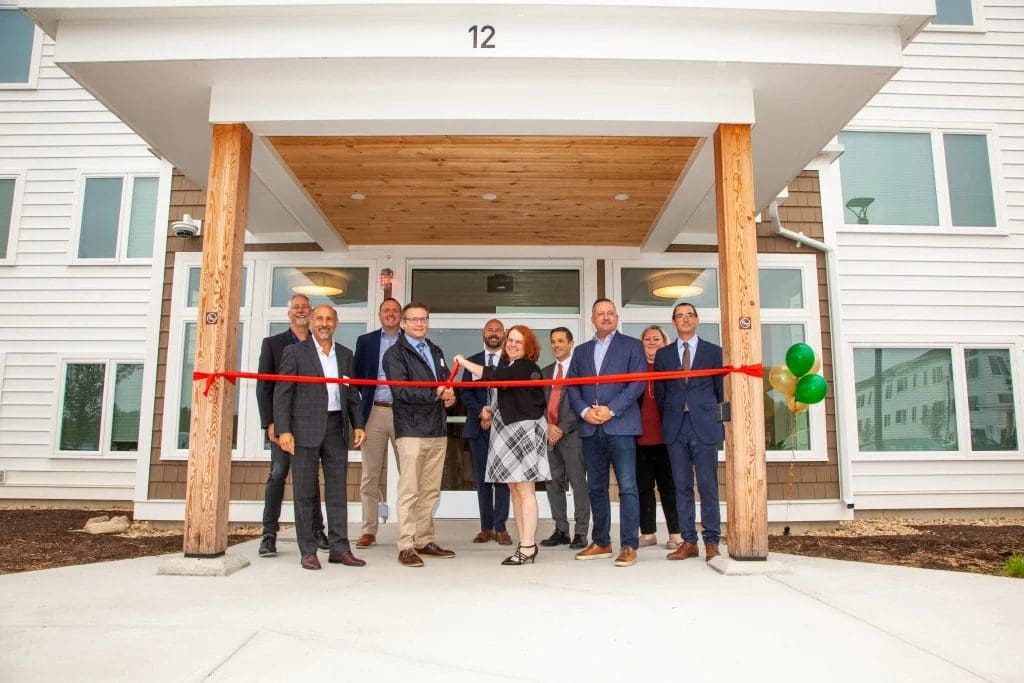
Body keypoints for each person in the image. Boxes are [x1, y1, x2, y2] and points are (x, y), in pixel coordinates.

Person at [274, 305, 367, 570]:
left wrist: (357, 424)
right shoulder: (294, 353)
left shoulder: (346, 355)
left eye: (329, 319)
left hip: (336, 428)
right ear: (312, 323)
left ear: (336, 324)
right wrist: (284, 430)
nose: (324, 323)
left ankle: (340, 548)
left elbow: (351, 394)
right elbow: (282, 393)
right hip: (303, 429)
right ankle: (308, 550)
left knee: (337, 491)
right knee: (304, 492)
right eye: (319, 319)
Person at [455, 325, 549, 566]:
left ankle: (528, 546)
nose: (513, 344)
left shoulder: (526, 367)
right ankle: (524, 543)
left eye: (519, 341)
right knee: (515, 489)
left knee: (525, 490)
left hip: (524, 431)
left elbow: (493, 378)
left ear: (528, 346)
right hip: (507, 431)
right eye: (511, 340)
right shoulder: (509, 366)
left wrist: (464, 363)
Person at [566, 298, 646, 567]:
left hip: (620, 426)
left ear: (617, 317)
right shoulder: (581, 352)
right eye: (600, 313)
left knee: (627, 486)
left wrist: (611, 409)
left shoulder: (633, 346)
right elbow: (572, 387)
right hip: (590, 428)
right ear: (592, 319)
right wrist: (585, 411)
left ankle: (628, 545)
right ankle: (601, 541)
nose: (606, 317)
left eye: (611, 313)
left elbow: (637, 384)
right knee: (596, 487)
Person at [383, 302, 457, 568]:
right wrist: (435, 393)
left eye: (423, 319)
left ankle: (424, 540)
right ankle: (406, 544)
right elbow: (401, 392)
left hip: (437, 428)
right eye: (413, 320)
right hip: (411, 429)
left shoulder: (435, 350)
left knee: (430, 491)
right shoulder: (395, 354)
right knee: (410, 490)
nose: (419, 324)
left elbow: (445, 380)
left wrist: (449, 395)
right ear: (403, 323)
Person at [255, 293, 328, 558]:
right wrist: (270, 422)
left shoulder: (319, 344)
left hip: (311, 423)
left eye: (305, 307)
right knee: (278, 474)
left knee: (311, 478)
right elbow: (264, 386)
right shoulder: (273, 344)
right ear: (289, 314)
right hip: (283, 423)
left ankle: (317, 530)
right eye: (296, 307)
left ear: (310, 313)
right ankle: (269, 534)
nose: (300, 311)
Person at [654, 302, 725, 562]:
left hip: (704, 426)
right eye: (679, 316)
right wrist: (672, 416)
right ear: (673, 323)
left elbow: (720, 393)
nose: (684, 319)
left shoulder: (714, 352)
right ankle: (688, 541)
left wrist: (717, 424)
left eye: (689, 315)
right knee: (681, 486)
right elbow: (661, 395)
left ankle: (711, 541)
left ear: (697, 320)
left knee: (708, 486)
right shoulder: (663, 355)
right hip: (676, 427)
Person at [351, 297, 403, 550]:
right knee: (370, 474)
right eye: (386, 311)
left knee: (409, 474)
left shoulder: (410, 340)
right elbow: (357, 379)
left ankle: (409, 530)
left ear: (401, 316)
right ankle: (369, 530)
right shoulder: (367, 341)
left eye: (395, 310)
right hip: (374, 412)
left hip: (405, 414)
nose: (391, 314)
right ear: (380, 315)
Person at [461, 318, 512, 545]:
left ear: (504, 334)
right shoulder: (471, 362)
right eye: (489, 330)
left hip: (504, 430)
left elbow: (513, 395)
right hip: (477, 428)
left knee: (502, 479)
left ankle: (501, 527)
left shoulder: (512, 362)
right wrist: (480, 411)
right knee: (482, 479)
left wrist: (494, 415)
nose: (493, 334)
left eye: (498, 330)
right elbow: (465, 394)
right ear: (483, 333)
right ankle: (486, 527)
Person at [539, 327, 590, 550]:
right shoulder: (545, 372)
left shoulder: (580, 370)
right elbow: (539, 404)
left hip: (573, 435)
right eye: (553, 341)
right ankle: (561, 529)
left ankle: (580, 532)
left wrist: (561, 427)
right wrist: (548, 426)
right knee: (553, 485)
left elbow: (582, 402)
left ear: (571, 343)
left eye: (561, 341)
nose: (556, 345)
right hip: (549, 436)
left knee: (578, 484)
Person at [636, 325, 683, 550]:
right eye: (647, 339)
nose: (652, 342)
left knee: (669, 487)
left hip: (667, 438)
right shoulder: (635, 367)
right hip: (640, 439)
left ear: (664, 343)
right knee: (643, 488)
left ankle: (676, 532)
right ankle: (648, 533)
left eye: (656, 339)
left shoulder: (670, 365)